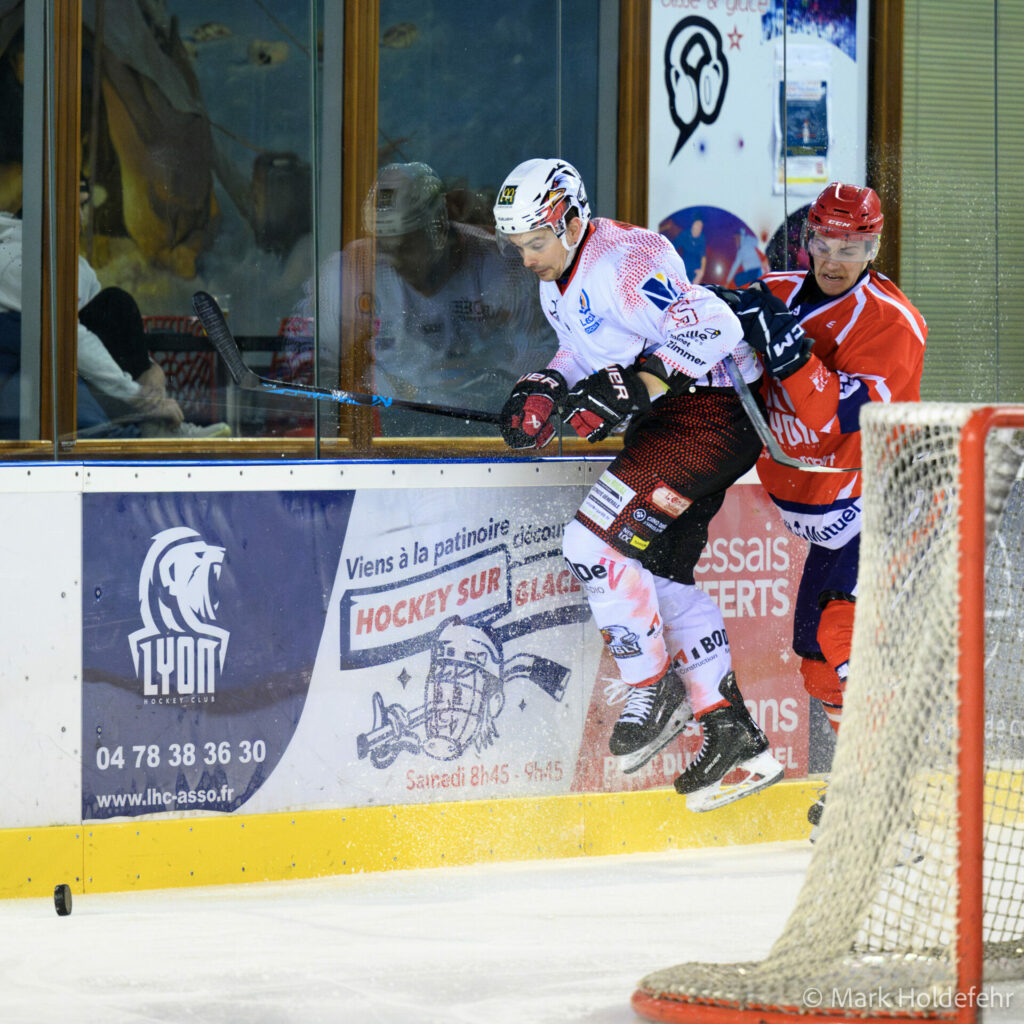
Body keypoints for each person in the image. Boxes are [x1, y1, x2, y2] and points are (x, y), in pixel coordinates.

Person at [492, 157, 784, 811]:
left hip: (711, 414)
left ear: (570, 219)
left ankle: (652, 685)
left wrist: (639, 385)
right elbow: (586, 350)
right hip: (674, 422)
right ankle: (734, 737)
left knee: (592, 545)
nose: (527, 258)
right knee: (660, 575)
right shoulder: (558, 277)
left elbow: (714, 326)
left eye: (535, 242)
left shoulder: (629, 260)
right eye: (518, 247)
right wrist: (549, 385)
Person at [711, 181, 927, 829]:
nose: (835, 258)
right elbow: (702, 335)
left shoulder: (893, 326)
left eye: (853, 245)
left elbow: (834, 419)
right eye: (825, 242)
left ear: (874, 246)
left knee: (840, 631)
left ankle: (887, 802)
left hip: (880, 503)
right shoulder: (775, 293)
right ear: (806, 241)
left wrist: (791, 354)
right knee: (816, 665)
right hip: (827, 519)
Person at [293, 162, 555, 437]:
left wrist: (498, 384)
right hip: (387, 430)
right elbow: (309, 357)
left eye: (405, 247)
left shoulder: (505, 270)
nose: (393, 262)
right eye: (384, 247)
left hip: (490, 426)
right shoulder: (348, 273)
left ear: (436, 228)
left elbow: (547, 354)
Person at [0, 180, 229, 439]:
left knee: (115, 305)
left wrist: (150, 369)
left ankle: (152, 426)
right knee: (111, 306)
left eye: (85, 205)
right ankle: (149, 424)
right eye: (76, 205)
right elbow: (70, 338)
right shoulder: (14, 262)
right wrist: (138, 397)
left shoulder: (76, 266)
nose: (82, 216)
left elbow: (106, 337)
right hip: (22, 390)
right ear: (48, 208)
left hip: (67, 373)